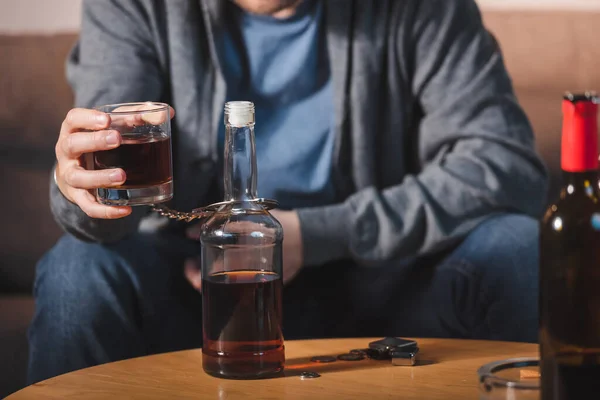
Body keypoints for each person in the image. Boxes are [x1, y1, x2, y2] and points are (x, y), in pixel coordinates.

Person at [28, 0, 548, 384]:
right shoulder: (134, 6)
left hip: (380, 282)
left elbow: (505, 163)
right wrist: (79, 185)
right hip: (199, 286)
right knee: (78, 270)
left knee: (517, 247)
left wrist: (316, 235)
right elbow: (101, 174)